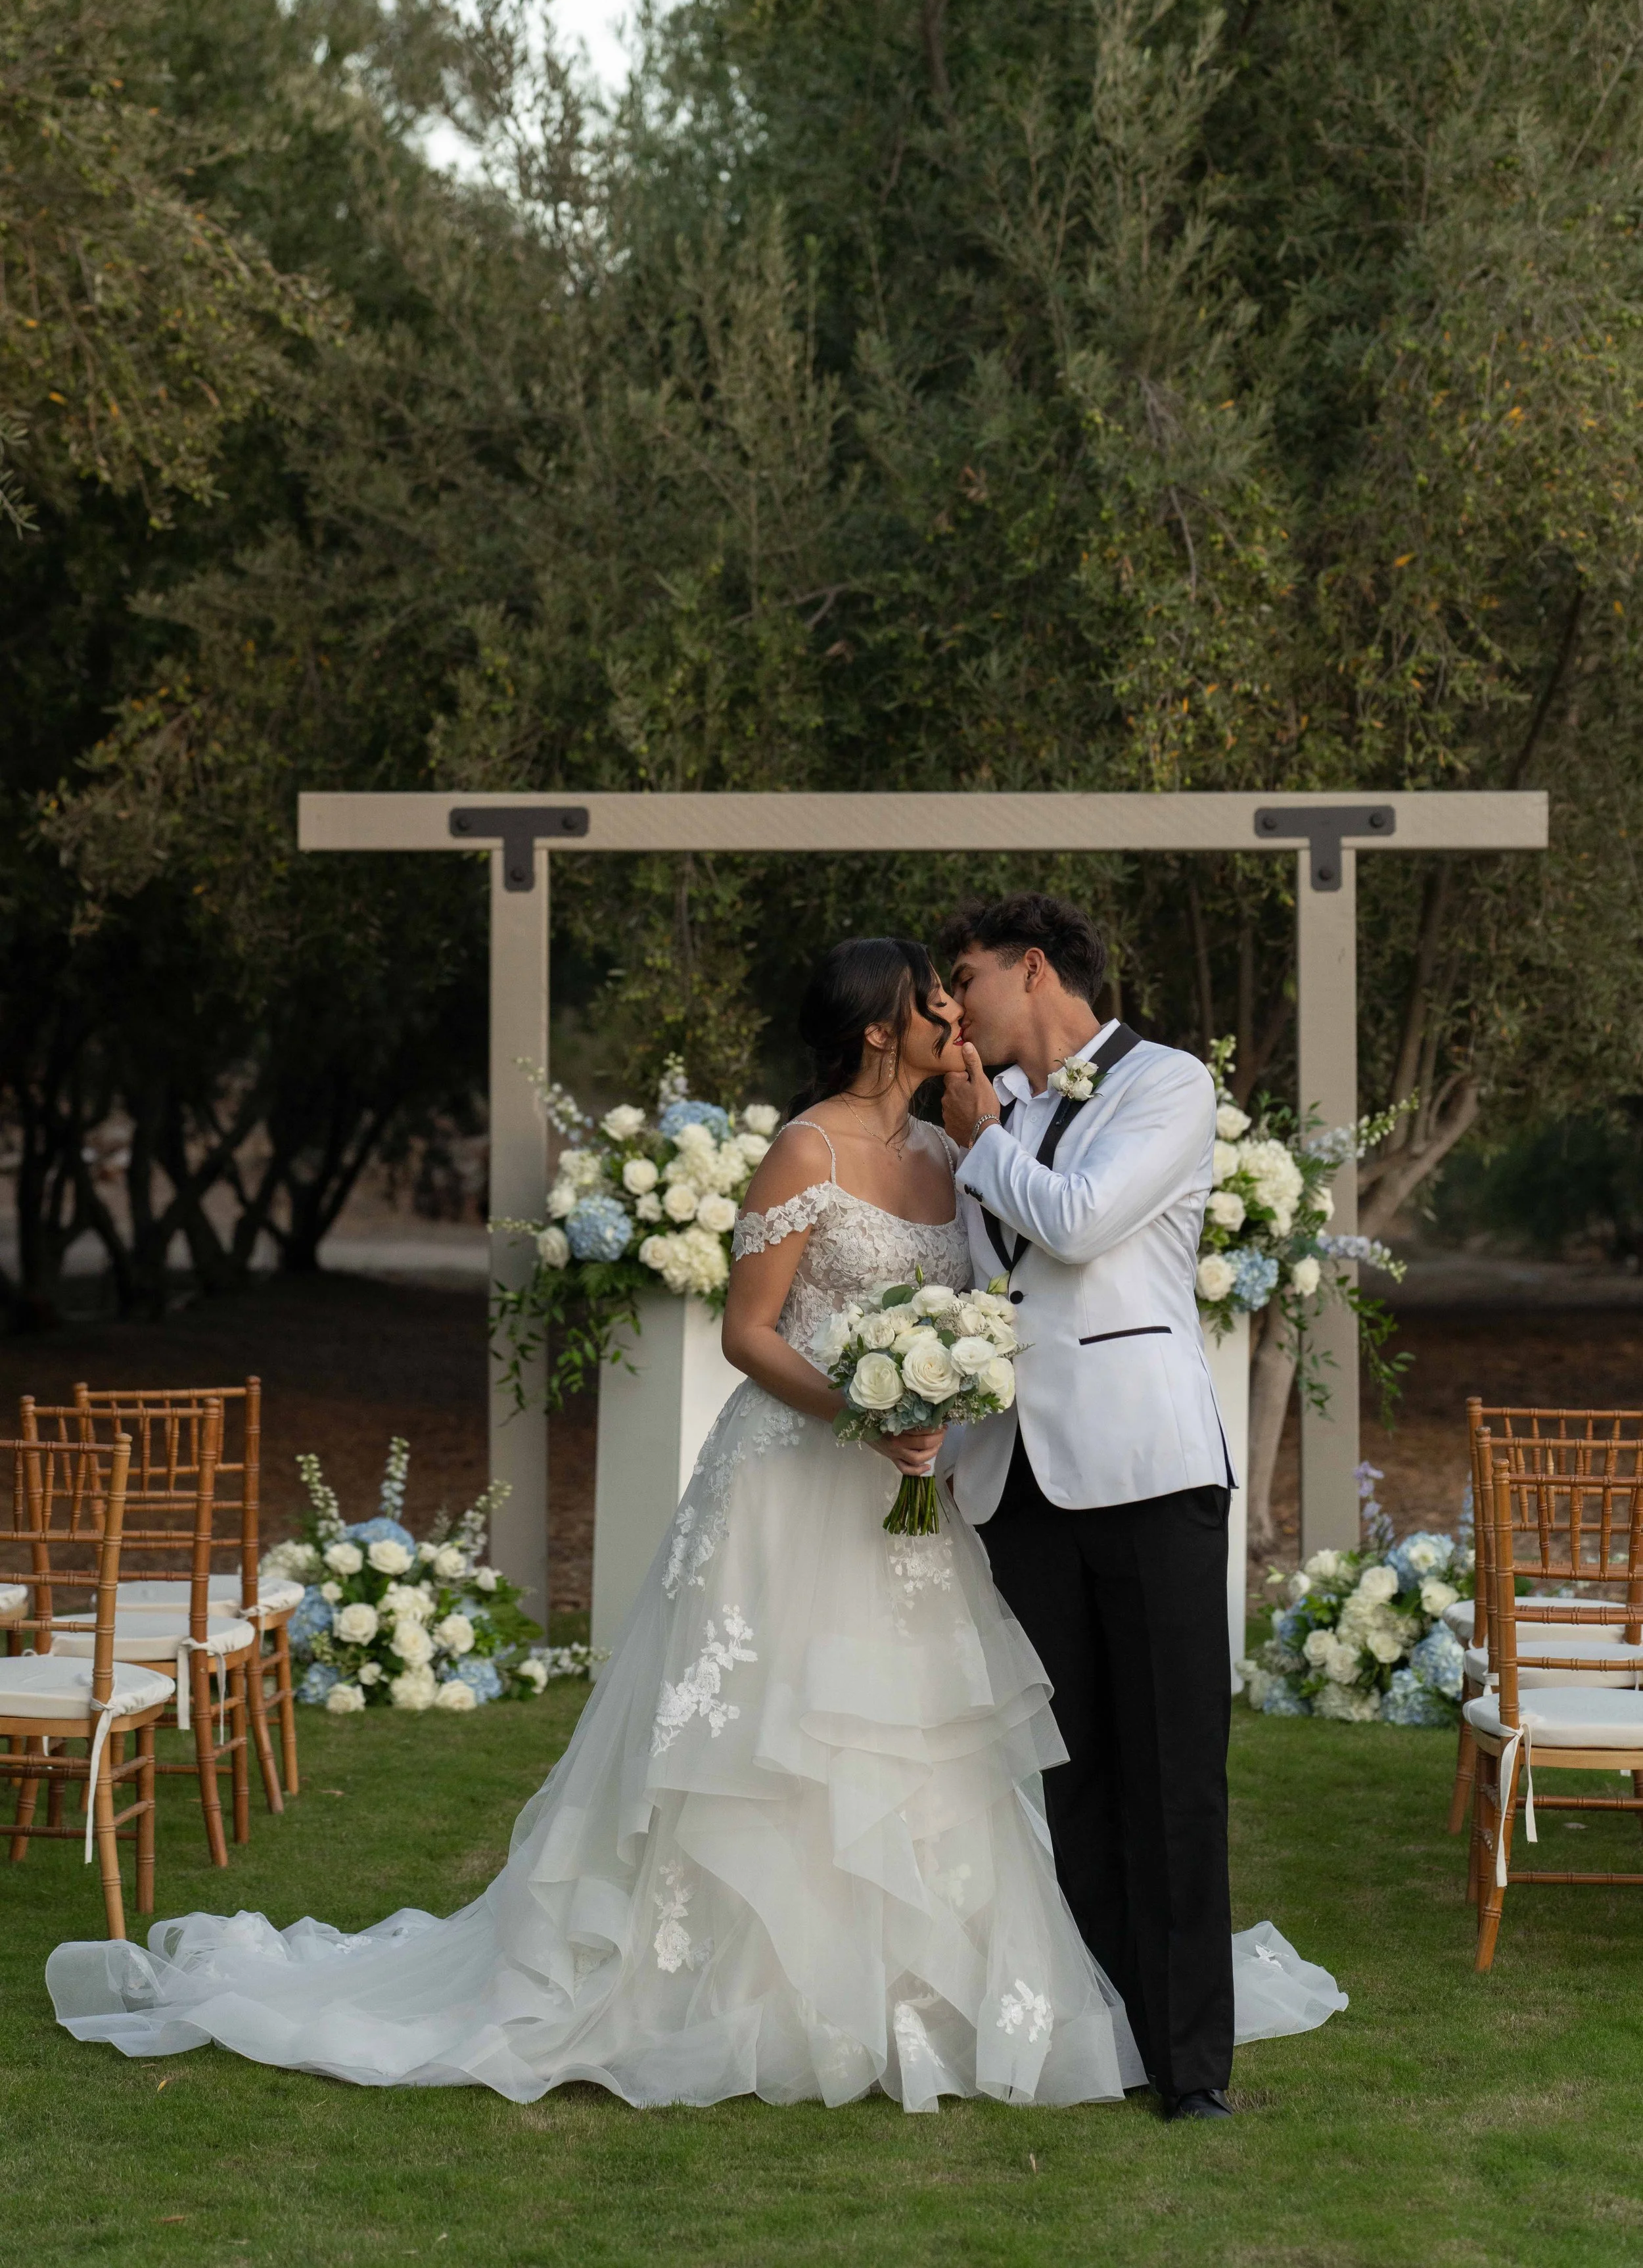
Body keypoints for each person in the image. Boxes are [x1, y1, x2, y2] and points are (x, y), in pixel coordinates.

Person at [47, 936, 1340, 2110]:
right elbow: (745, 1327)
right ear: (881, 1027)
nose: (952, 1009)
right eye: (927, 998)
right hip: (796, 1480)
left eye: (965, 986)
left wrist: (939, 1385)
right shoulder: (807, 1148)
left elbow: (1018, 1275)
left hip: (947, 1491)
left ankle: (976, 1999)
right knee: (776, 1750)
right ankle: (744, 1995)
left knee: (938, 1751)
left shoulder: (975, 1141)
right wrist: (859, 1405)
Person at [938, 891, 1240, 2121]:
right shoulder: (994, 1117)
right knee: (1074, 1777)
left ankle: (1193, 2070)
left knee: (1174, 1773)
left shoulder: (1167, 1083)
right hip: (1017, 1477)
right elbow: (985, 1289)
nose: (955, 1005)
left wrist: (979, 1135)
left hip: (1147, 1467)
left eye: (968, 976)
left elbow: (1077, 1222)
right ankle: (1113, 2030)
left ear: (1035, 965)